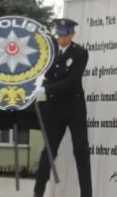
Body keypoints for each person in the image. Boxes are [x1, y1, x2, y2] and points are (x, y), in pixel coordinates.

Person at [31, 18, 92, 197]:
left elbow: (72, 81)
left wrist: (46, 88)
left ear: (72, 34)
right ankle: (37, 193)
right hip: (55, 109)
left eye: (65, 35)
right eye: (59, 35)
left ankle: (87, 194)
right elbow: (44, 75)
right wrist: (38, 84)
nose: (61, 38)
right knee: (48, 152)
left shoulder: (80, 53)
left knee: (81, 152)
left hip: (74, 108)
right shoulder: (50, 54)